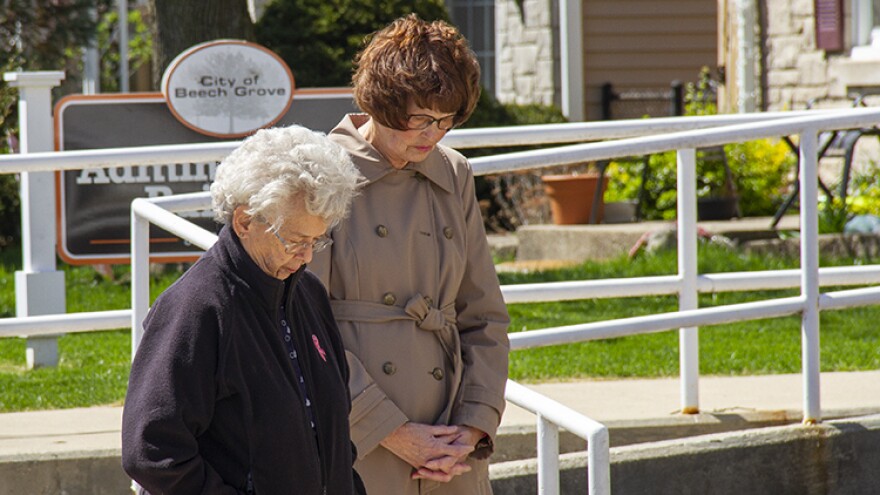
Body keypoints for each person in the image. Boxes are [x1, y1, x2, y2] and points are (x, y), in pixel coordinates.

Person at [309, 13, 511, 495]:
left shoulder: (454, 172)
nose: (432, 133)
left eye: (446, 120)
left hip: (450, 445)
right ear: (382, 102)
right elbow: (305, 327)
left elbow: (483, 315)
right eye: (420, 118)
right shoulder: (320, 173)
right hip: (356, 435)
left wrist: (474, 428)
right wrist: (390, 430)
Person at [121, 125, 367, 495]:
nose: (306, 256)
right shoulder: (196, 308)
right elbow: (153, 450)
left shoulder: (308, 293)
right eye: (295, 241)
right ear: (245, 221)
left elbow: (332, 435)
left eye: (317, 240)